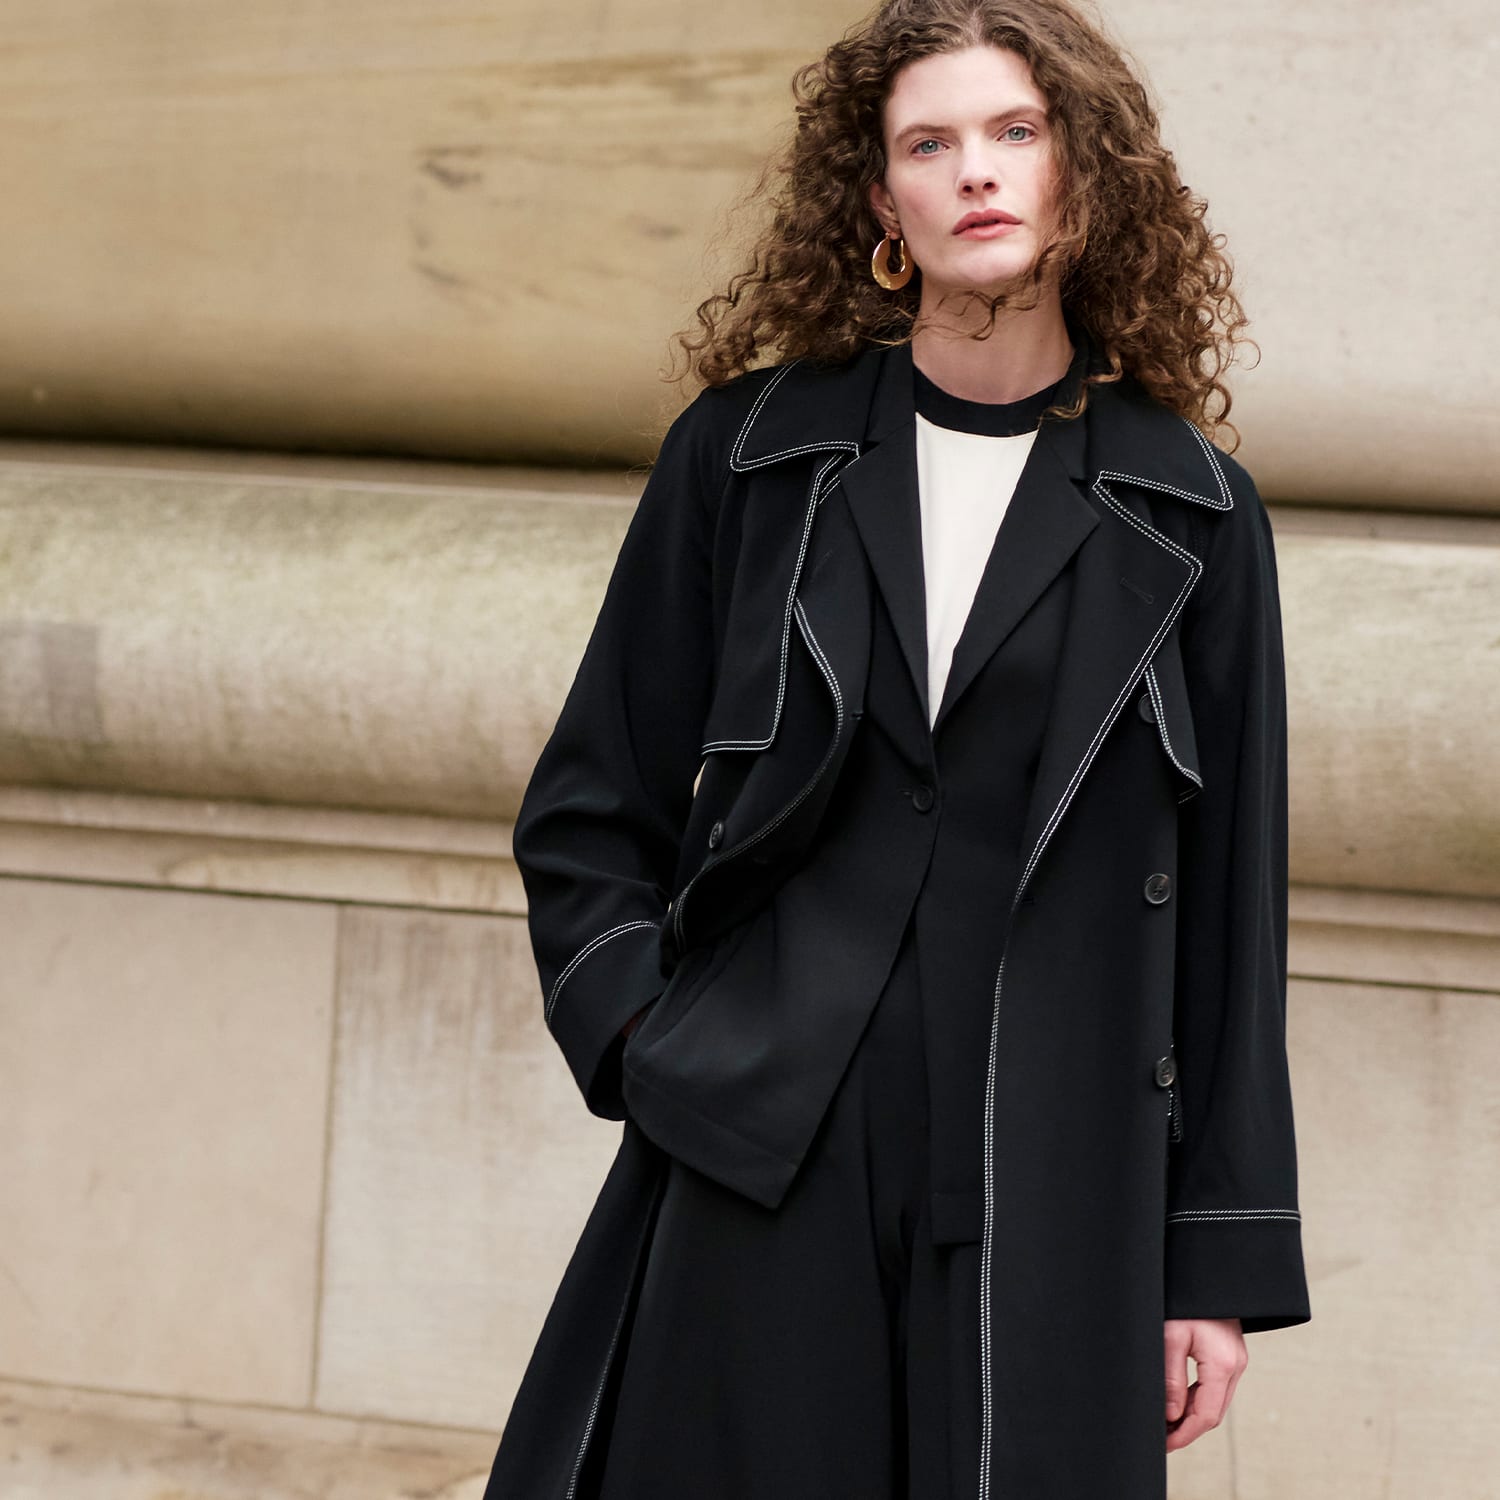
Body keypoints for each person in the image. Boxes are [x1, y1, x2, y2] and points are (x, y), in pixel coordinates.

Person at [483, 1, 1311, 1496]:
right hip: (761, 1146)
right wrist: (645, 1048)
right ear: (881, 202)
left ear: (1083, 173)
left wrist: (1219, 1264)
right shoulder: (749, 459)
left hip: (1057, 1174)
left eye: (1016, 132)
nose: (975, 173)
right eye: (928, 143)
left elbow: (1237, 913)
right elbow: (590, 808)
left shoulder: (1194, 513)